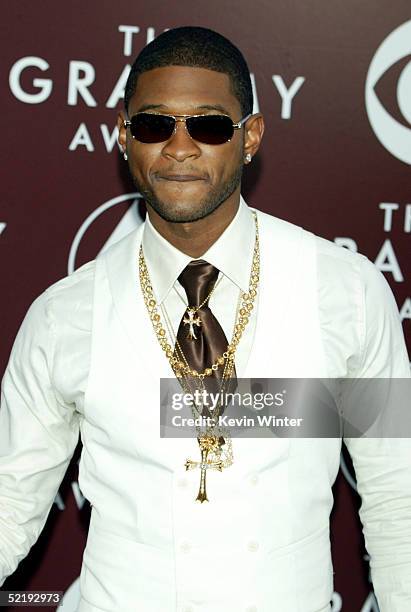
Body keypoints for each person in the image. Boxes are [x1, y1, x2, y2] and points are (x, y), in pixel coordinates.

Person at [0, 25, 410, 612]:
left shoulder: (346, 292)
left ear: (251, 138)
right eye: (154, 124)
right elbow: (8, 502)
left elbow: (400, 491)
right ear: (123, 137)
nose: (180, 147)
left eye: (211, 126)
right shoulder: (64, 314)